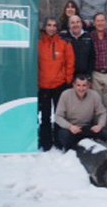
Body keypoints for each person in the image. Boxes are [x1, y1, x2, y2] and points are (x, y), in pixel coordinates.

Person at [38, 16, 75, 151]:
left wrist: (68, 81)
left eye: (54, 25)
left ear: (58, 28)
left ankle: (60, 141)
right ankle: (46, 142)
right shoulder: (39, 43)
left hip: (60, 85)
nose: (52, 28)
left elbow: (70, 63)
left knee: (60, 115)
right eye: (49, 25)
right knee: (45, 115)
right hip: (43, 86)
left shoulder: (64, 43)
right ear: (45, 27)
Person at [55, 75, 107, 151]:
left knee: (104, 133)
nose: (81, 88)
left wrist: (99, 125)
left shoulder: (94, 95)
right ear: (74, 85)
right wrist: (70, 126)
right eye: (78, 85)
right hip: (71, 128)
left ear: (88, 86)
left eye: (84, 85)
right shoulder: (65, 95)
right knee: (64, 135)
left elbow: (103, 112)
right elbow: (58, 117)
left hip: (87, 127)